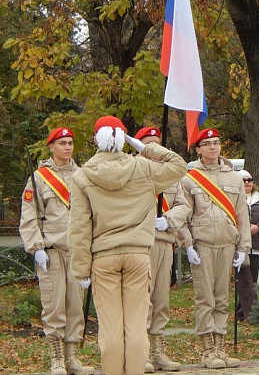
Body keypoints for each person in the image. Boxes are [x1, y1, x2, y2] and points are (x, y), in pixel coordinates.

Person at [68, 116, 187, 375]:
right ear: (124, 139)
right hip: (138, 254)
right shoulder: (143, 167)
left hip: (103, 256)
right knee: (135, 326)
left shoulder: (82, 175)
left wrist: (80, 269)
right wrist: (146, 148)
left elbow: (79, 227)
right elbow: (179, 166)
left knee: (111, 328)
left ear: (95, 139)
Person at [19, 127, 94, 375]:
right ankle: (57, 359)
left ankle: (72, 358)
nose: (68, 147)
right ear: (51, 147)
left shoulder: (83, 176)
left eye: (70, 142)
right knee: (53, 307)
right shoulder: (39, 178)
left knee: (75, 307)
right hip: (51, 252)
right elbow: (29, 218)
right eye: (62, 143)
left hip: (77, 252)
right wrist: (36, 247)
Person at [178, 128, 250, 369]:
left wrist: (244, 247)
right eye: (207, 144)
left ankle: (220, 347)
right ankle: (207, 350)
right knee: (205, 299)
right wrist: (187, 244)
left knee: (222, 298)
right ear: (198, 149)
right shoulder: (190, 179)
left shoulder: (234, 177)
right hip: (203, 244)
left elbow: (242, 213)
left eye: (216, 143)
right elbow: (183, 214)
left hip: (227, 243)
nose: (213, 147)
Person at [135, 127, 191, 372]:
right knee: (142, 299)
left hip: (164, 240)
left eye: (158, 143)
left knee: (161, 299)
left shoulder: (170, 175)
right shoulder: (132, 170)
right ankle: (142, 352)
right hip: (140, 242)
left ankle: (158, 351)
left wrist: (168, 218)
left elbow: (183, 205)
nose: (154, 147)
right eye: (149, 143)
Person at [235, 169, 259, 321]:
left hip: (257, 244)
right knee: (244, 278)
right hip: (240, 245)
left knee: (251, 279)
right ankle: (248, 313)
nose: (247, 183)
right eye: (244, 180)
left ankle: (242, 311)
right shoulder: (234, 198)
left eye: (250, 180)